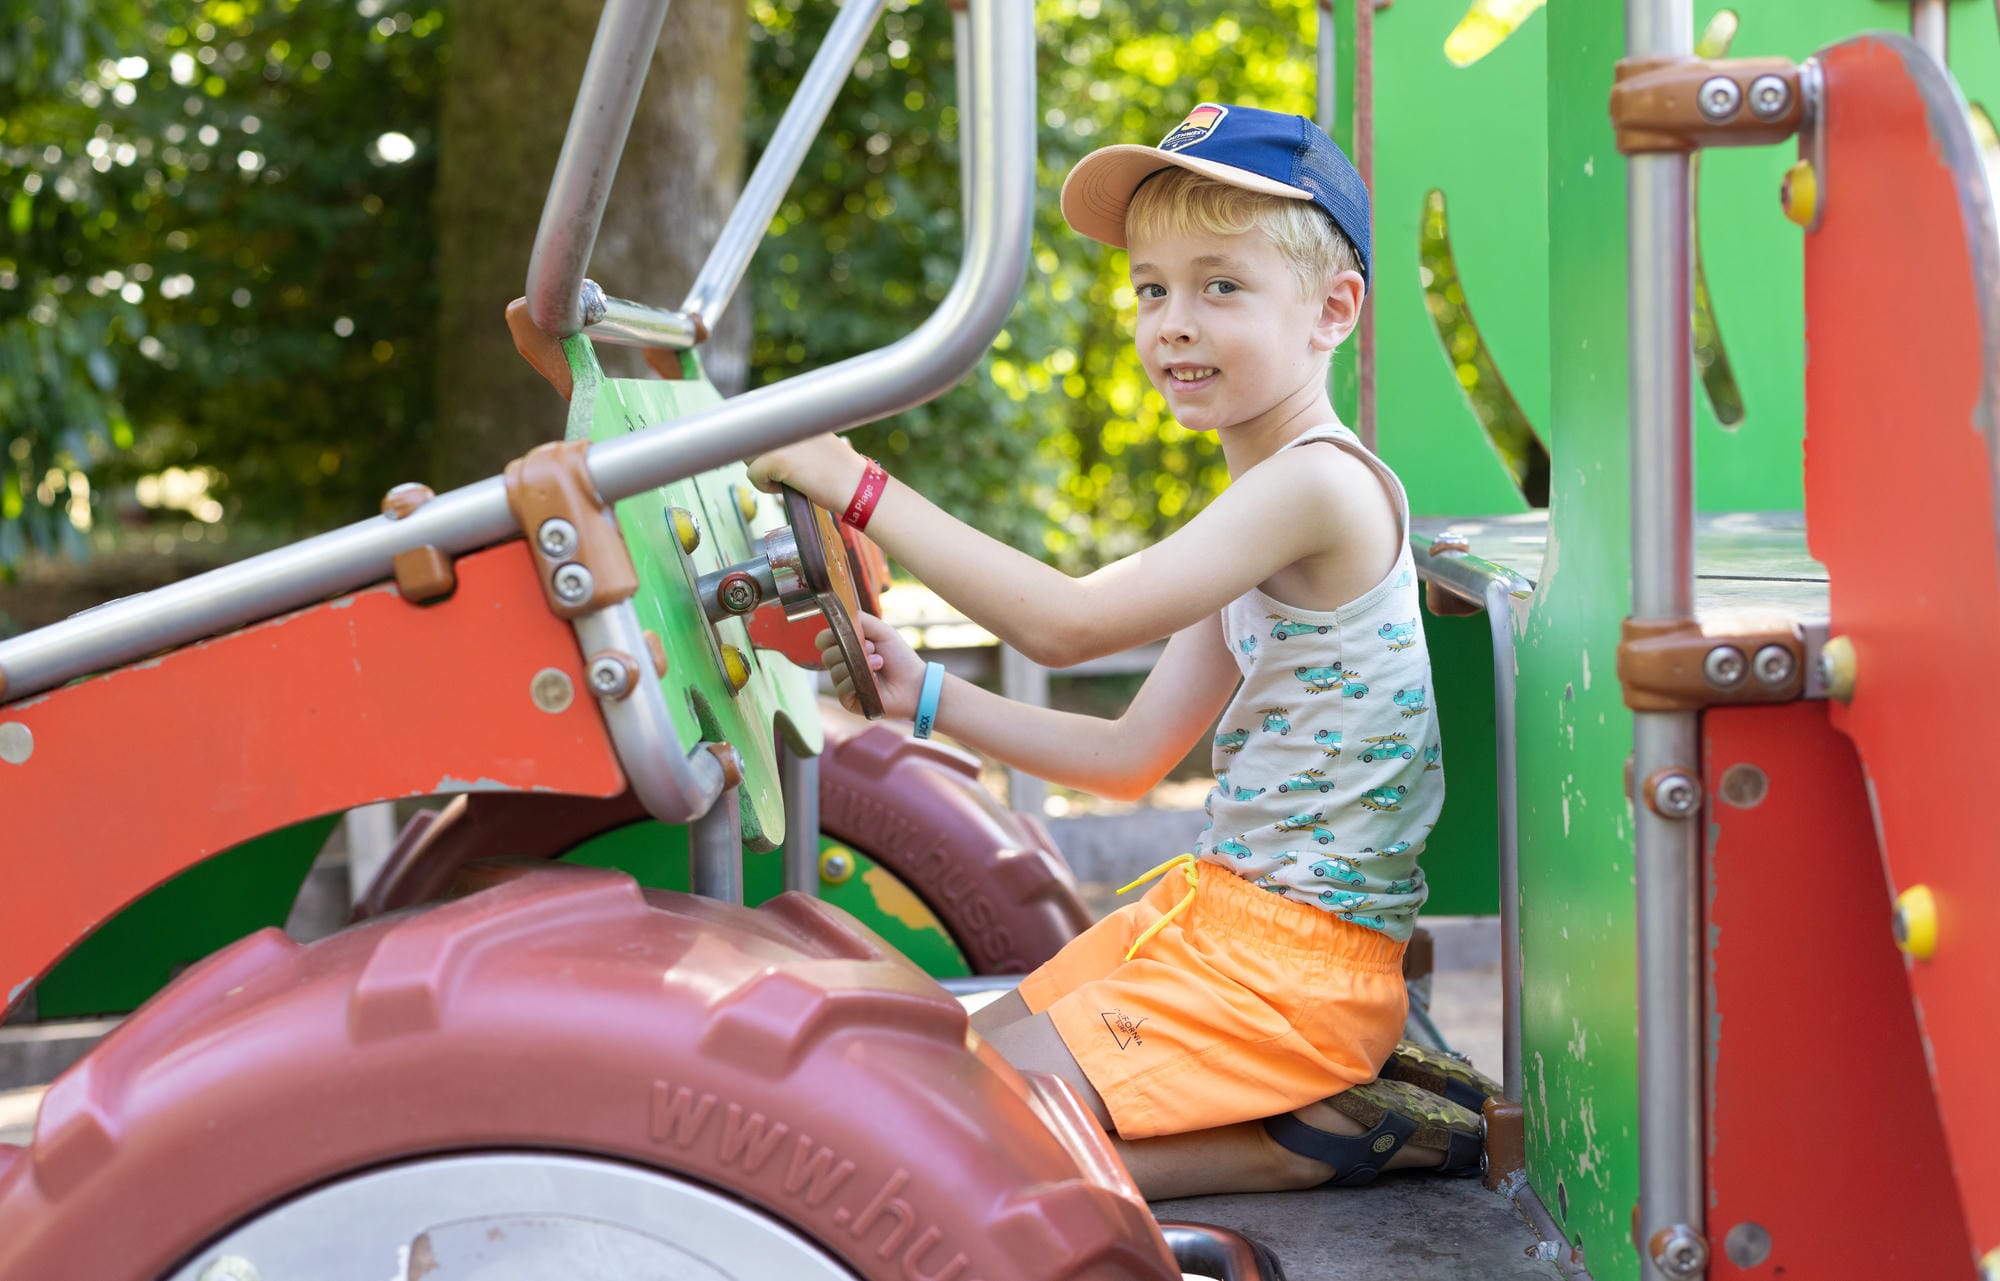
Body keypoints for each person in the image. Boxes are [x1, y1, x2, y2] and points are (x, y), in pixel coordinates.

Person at [748, 103, 1485, 1199]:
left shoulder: (1317, 486)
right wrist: (924, 692)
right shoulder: (1257, 504)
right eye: (1151, 290)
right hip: (1225, 922)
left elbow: (1068, 623)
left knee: (966, 1151)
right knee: (951, 1075)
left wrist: (854, 485)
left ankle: (1313, 1136)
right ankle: (1314, 1115)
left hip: (1292, 972)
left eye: (1218, 285)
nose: (1171, 324)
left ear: (1331, 311)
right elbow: (1129, 753)